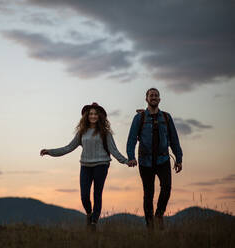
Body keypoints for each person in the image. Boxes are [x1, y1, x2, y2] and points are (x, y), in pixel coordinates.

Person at [40, 102, 129, 231]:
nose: (93, 116)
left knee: (97, 194)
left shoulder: (105, 133)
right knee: (84, 196)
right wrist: (50, 152)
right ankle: (89, 214)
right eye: (91, 114)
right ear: (87, 116)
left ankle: (93, 223)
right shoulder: (82, 133)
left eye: (95, 114)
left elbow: (114, 150)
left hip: (101, 165)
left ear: (100, 117)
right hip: (85, 166)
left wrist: (126, 161)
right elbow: (68, 147)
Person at [126, 88, 183, 230]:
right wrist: (131, 157)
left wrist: (179, 158)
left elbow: (174, 139)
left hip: (163, 160)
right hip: (145, 161)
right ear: (146, 99)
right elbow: (132, 139)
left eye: (156, 95)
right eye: (151, 95)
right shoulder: (139, 118)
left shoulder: (166, 117)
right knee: (148, 194)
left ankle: (159, 215)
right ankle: (150, 227)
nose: (154, 97)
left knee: (167, 188)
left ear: (159, 99)